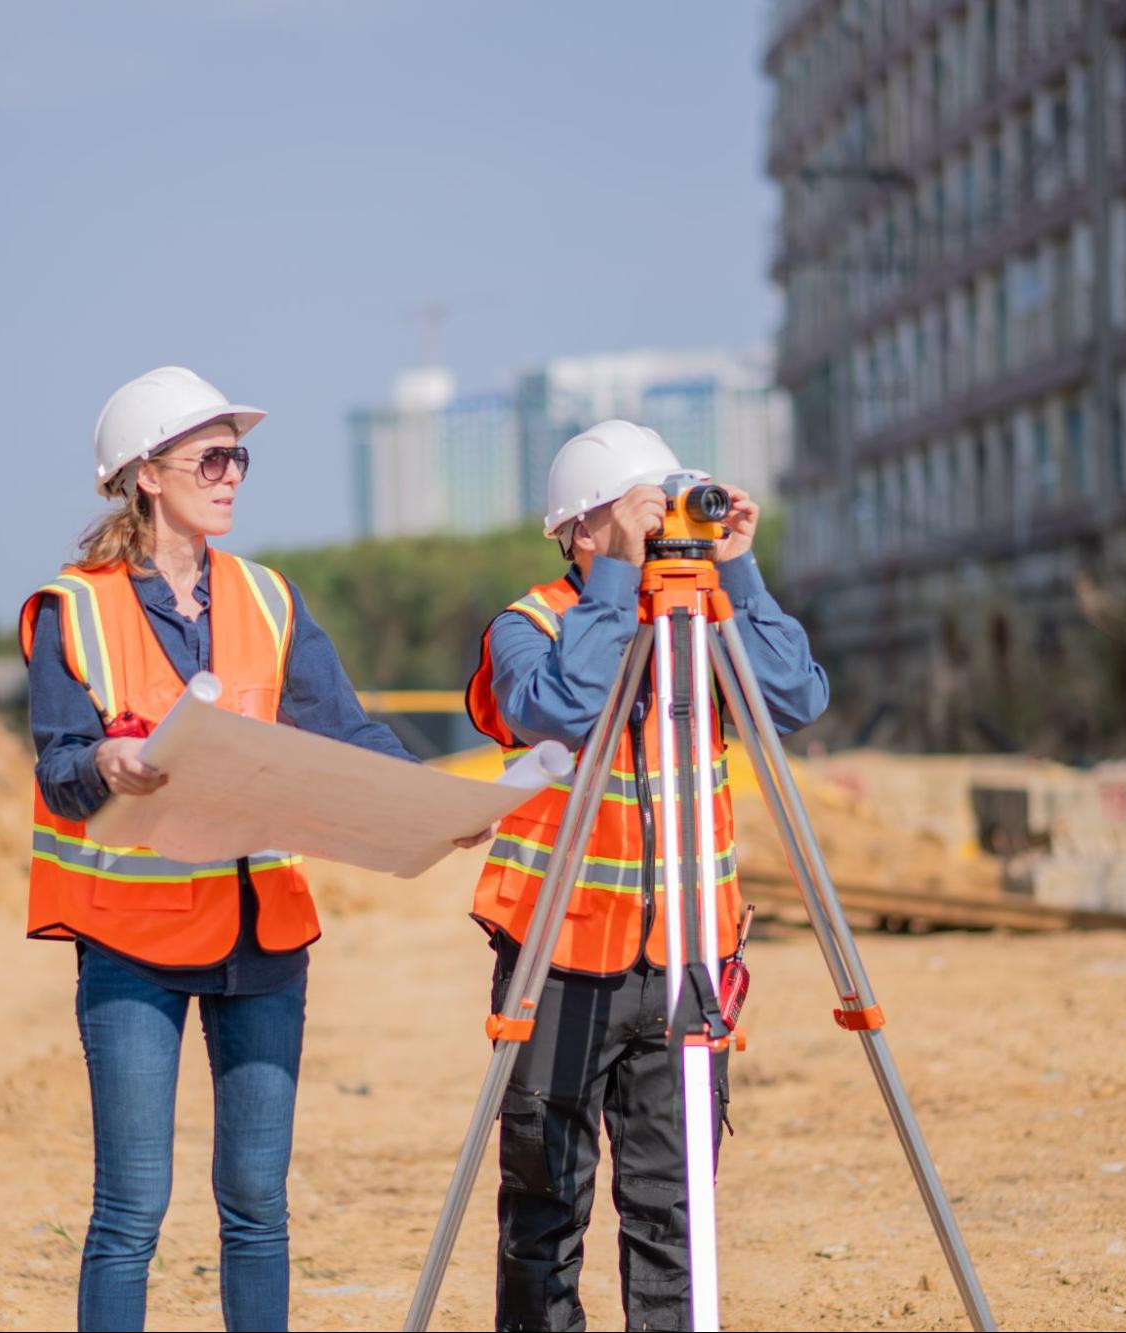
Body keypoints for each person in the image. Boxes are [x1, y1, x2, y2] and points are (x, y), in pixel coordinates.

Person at [21, 366, 430, 1332]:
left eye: (238, 455)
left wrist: (434, 799)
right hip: (132, 944)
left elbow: (345, 734)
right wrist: (107, 761)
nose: (233, 473)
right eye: (212, 456)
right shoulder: (72, 608)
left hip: (262, 937)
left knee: (258, 1207)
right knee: (130, 1211)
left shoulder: (269, 597)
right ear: (146, 475)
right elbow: (59, 768)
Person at [462, 419, 830, 1331]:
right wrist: (621, 578)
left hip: (685, 961)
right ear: (580, 530)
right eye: (637, 510)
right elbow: (564, 705)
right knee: (545, 1208)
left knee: (673, 1214)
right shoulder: (530, 625)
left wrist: (737, 569)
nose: (664, 523)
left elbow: (794, 697)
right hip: (558, 963)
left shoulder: (699, 621)